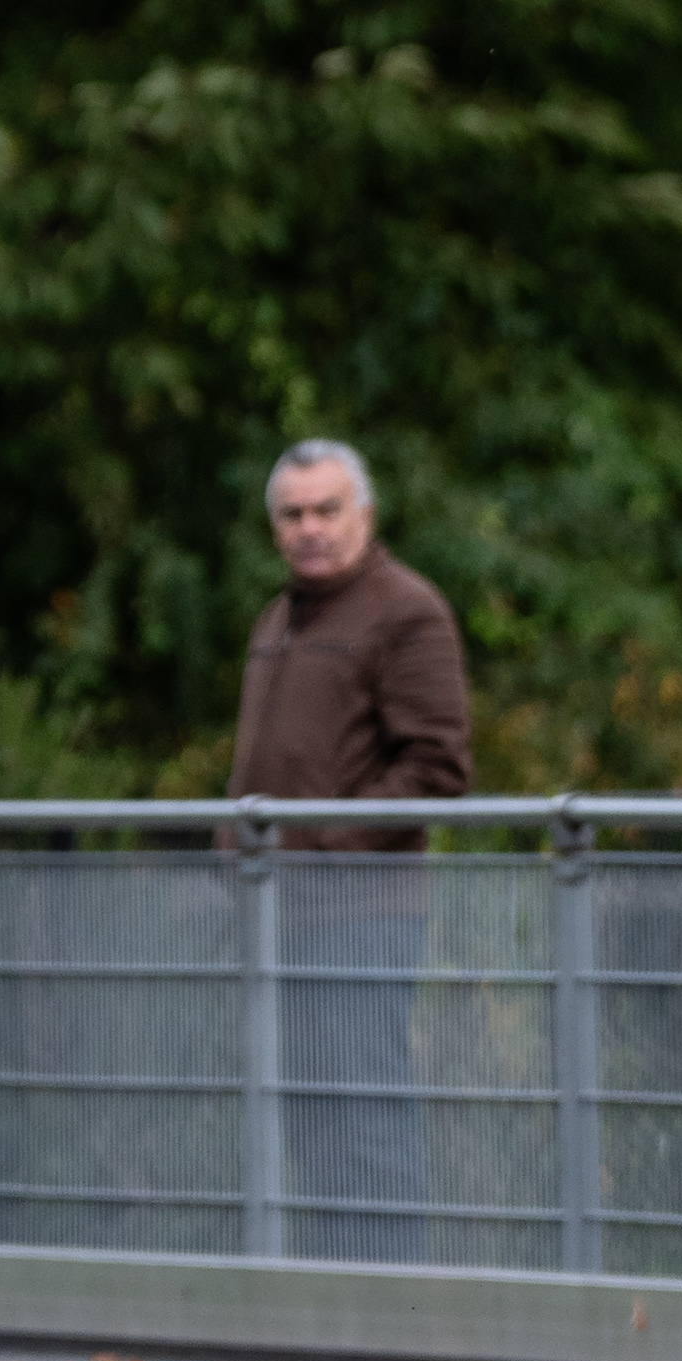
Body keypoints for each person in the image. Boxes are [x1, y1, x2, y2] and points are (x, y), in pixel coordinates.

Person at [231, 438, 473, 1262]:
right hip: (278, 912)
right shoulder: (277, 618)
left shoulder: (406, 610)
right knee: (309, 1119)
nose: (309, 528)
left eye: (326, 509)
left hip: (362, 911)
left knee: (364, 1116)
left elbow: (438, 767)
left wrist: (323, 841)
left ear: (364, 514)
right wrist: (234, 846)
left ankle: (393, 1303)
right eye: (292, 513)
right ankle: (334, 1296)